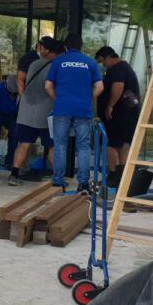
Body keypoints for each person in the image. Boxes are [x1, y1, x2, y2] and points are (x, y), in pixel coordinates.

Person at [45, 34, 103, 192]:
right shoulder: (90, 62)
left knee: (60, 145)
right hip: (83, 110)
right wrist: (88, 98)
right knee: (83, 146)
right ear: (81, 46)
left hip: (62, 109)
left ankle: (58, 181)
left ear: (65, 47)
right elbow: (100, 87)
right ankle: (83, 183)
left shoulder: (58, 61)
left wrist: (58, 98)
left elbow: (48, 86)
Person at [8, 37, 62, 186]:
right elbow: (51, 87)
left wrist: (24, 100)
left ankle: (14, 174)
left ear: (45, 49)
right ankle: (58, 177)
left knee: (24, 143)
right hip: (46, 111)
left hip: (27, 111)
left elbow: (21, 80)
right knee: (51, 146)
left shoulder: (33, 64)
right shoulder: (56, 67)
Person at [95, 46, 141, 180]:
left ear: (108, 57)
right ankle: (122, 176)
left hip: (118, 115)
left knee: (110, 144)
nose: (103, 65)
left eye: (102, 61)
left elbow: (118, 86)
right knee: (123, 145)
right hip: (126, 115)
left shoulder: (118, 69)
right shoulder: (124, 67)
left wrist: (110, 106)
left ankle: (114, 175)